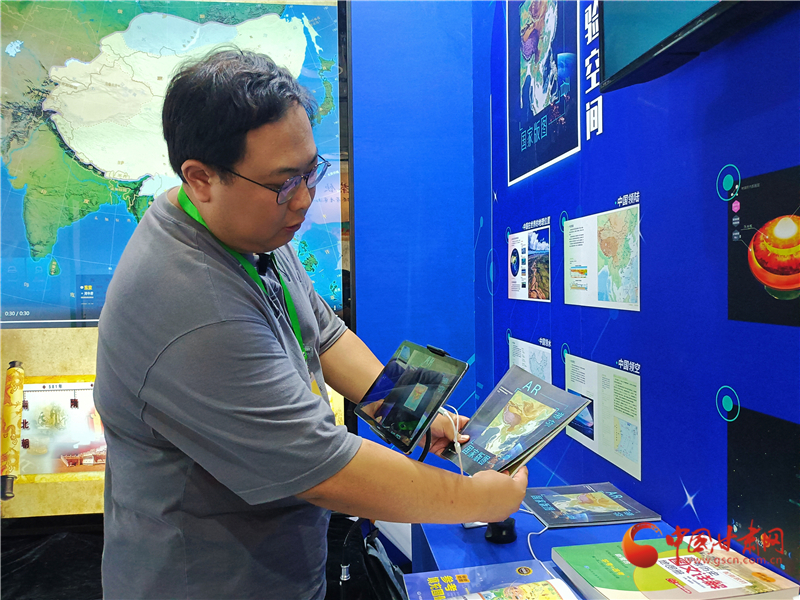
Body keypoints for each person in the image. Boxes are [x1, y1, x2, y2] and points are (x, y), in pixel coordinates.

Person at [94, 47, 527, 600]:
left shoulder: (245, 228)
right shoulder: (192, 309)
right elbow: (327, 470)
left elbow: (323, 333)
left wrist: (407, 410)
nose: (304, 200)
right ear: (201, 178)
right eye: (283, 183)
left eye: (310, 172)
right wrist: (481, 500)